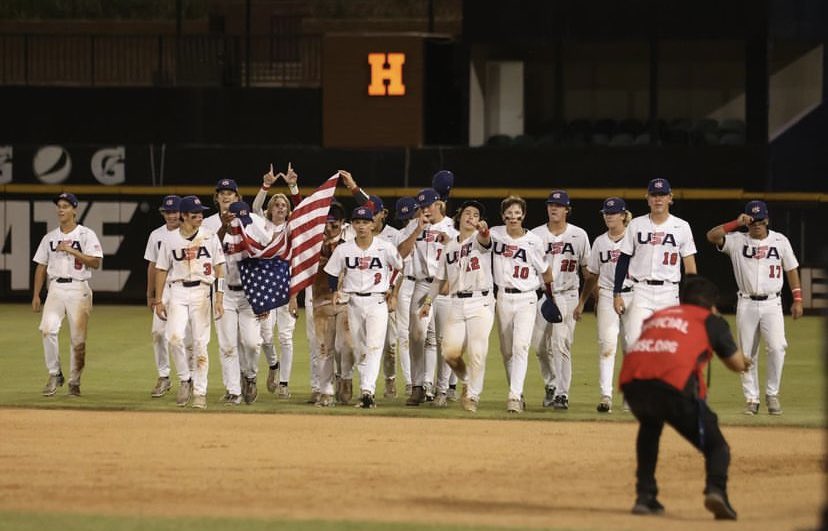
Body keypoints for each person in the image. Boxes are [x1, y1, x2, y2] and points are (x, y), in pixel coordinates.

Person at [619, 276, 749, 520]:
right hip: (671, 388)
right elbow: (735, 363)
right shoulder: (710, 320)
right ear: (711, 304)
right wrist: (744, 362)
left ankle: (645, 496)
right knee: (717, 446)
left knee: (650, 426)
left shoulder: (660, 315)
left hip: (633, 385)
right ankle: (716, 491)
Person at [705, 200, 803, 415]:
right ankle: (752, 398)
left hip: (772, 302)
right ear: (746, 221)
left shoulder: (780, 240)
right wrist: (735, 223)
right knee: (747, 352)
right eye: (752, 220)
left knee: (778, 347)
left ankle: (772, 394)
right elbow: (711, 236)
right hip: (747, 302)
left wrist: (797, 299)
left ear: (767, 219)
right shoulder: (737, 240)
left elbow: (792, 269)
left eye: (760, 220)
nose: (756, 224)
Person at [325, 205, 404, 408]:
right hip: (353, 302)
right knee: (360, 349)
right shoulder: (344, 249)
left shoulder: (384, 247)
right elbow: (332, 272)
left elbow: (399, 267)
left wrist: (392, 290)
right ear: (352, 225)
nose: (361, 226)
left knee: (374, 347)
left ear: (372, 224)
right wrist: (335, 290)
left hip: (377, 301)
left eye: (365, 222)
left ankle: (367, 391)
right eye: (358, 222)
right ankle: (366, 389)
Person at [420, 200, 493, 412]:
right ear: (459, 218)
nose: (471, 217)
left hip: (481, 301)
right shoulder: (450, 247)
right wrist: (427, 302)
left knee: (477, 351)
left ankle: (472, 396)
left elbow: (486, 239)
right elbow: (438, 280)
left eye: (476, 215)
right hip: (456, 302)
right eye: (468, 213)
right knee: (449, 354)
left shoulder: (480, 240)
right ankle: (467, 380)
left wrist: (484, 229)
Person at [154, 195, 226, 409]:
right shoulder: (170, 239)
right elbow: (161, 269)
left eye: (201, 214)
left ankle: (200, 393)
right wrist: (158, 300)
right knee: (174, 338)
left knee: (200, 344)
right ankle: (185, 378)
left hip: (202, 292)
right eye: (195, 215)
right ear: (184, 216)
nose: (200, 217)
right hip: (177, 291)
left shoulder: (210, 236)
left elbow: (220, 267)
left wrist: (219, 297)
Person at [202, 177, 269, 405]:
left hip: (250, 294)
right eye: (221, 192)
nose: (226, 195)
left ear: (238, 197)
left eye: (230, 192)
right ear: (216, 197)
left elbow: (268, 260)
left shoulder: (256, 222)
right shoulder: (209, 224)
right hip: (224, 293)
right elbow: (209, 253)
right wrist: (223, 226)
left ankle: (249, 376)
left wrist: (264, 299)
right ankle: (233, 390)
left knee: (251, 342)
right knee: (227, 345)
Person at [32, 192, 104, 397]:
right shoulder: (50, 237)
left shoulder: (86, 235)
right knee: (47, 329)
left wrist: (73, 251)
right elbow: (41, 266)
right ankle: (55, 373)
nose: (60, 209)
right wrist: (37, 294)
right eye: (59, 206)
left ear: (74, 209)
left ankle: (74, 381)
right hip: (55, 288)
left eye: (65, 206)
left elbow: (95, 263)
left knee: (78, 339)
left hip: (78, 287)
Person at [613, 178, 698, 348]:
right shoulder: (636, 224)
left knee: (669, 345)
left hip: (669, 291)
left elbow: (690, 266)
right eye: (654, 195)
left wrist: (693, 298)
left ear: (670, 198)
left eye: (662, 194)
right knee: (635, 344)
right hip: (641, 291)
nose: (658, 199)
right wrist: (617, 294)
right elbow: (623, 260)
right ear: (647, 198)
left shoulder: (682, 226)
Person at [489, 195, 555, 413]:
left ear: (523, 215)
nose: (513, 217)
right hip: (503, 298)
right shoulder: (495, 234)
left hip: (527, 297)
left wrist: (550, 297)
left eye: (518, 214)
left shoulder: (534, 240)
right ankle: (516, 391)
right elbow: (478, 242)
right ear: (503, 216)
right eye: (509, 214)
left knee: (521, 347)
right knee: (506, 351)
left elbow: (546, 272)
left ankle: (514, 396)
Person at [397, 187, 459, 405]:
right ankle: (418, 386)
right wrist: (417, 231)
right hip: (422, 286)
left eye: (429, 205)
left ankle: (441, 389)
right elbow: (400, 254)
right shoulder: (415, 225)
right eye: (422, 206)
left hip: (444, 287)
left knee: (443, 340)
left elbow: (464, 255)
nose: (425, 210)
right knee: (417, 336)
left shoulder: (452, 226)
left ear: (438, 204)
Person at [531, 190, 591, 410]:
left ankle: (562, 394)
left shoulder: (579, 235)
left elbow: (588, 271)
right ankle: (551, 383)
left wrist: (585, 300)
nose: (554, 208)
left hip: (567, 295)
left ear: (567, 209)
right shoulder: (535, 235)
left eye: (559, 205)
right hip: (542, 296)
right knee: (538, 346)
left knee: (560, 344)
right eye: (550, 205)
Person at [574, 197, 634, 413]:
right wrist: (583, 302)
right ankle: (606, 395)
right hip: (608, 295)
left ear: (623, 215)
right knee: (607, 347)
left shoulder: (633, 237)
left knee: (631, 347)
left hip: (633, 294)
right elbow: (592, 277)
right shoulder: (600, 241)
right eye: (606, 213)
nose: (609, 216)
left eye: (613, 212)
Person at [251, 166, 301, 398]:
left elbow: (302, 210)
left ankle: (284, 384)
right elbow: (253, 208)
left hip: (288, 284)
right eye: (276, 205)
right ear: (269, 210)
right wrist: (266, 186)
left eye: (284, 205)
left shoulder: (292, 227)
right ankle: (273, 364)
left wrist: (293, 186)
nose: (281, 208)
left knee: (286, 337)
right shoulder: (262, 225)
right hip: (266, 284)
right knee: (264, 335)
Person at [143, 195, 194, 398]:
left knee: (187, 337)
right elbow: (152, 266)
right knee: (157, 332)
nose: (171, 215)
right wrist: (151, 294)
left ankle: (190, 377)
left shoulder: (192, 233)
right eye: (167, 211)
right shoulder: (156, 235)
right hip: (164, 289)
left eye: (174, 211)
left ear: (181, 213)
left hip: (186, 288)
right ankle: (164, 376)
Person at [366, 195, 402, 399]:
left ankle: (390, 380)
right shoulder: (357, 233)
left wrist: (395, 294)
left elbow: (400, 268)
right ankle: (363, 385)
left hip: (385, 295)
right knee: (361, 345)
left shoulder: (393, 236)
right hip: (362, 296)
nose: (370, 219)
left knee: (390, 343)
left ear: (383, 213)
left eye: (374, 214)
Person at [393, 197, 418, 397]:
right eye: (406, 218)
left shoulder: (432, 231)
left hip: (425, 284)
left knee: (426, 337)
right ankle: (411, 382)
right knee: (404, 335)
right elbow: (398, 266)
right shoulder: (399, 235)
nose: (408, 220)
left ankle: (423, 382)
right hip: (405, 284)